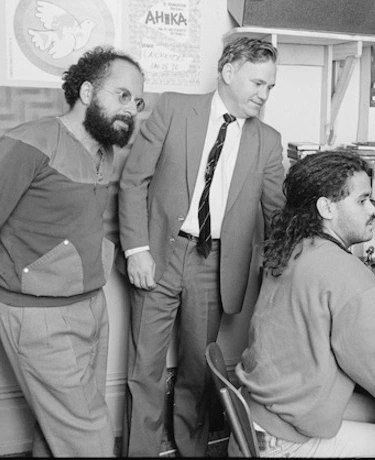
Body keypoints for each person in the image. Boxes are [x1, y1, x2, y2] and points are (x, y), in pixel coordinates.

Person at [0, 46, 145, 456]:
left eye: (138, 102)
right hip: (40, 317)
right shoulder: (28, 143)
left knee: (58, 436)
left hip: (91, 308)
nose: (132, 109)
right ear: (86, 92)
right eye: (122, 95)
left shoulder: (105, 150)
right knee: (90, 441)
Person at [233, 150, 375, 457]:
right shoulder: (345, 272)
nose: (373, 208)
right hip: (285, 440)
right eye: (362, 200)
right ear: (326, 207)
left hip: (264, 410)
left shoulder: (293, 247)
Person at [118, 37, 285, 457]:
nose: (263, 95)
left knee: (197, 369)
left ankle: (191, 451)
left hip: (217, 263)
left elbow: (276, 211)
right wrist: (136, 249)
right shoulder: (174, 108)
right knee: (146, 370)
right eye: (258, 83)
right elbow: (133, 180)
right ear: (229, 72)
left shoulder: (267, 139)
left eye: (270, 87)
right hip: (159, 253)